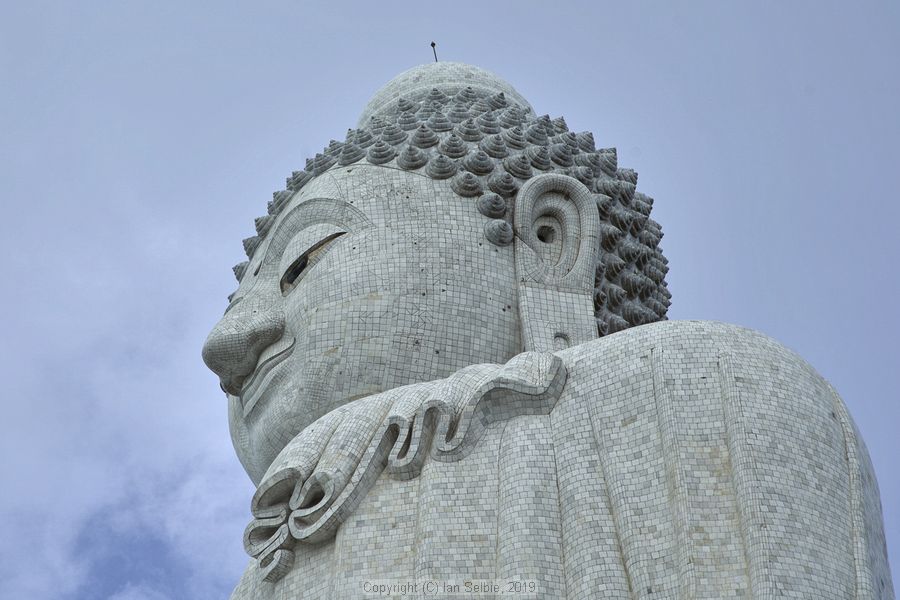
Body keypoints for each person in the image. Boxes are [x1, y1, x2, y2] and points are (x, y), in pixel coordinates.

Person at [202, 62, 893, 599]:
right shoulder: (266, 567)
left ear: (548, 239)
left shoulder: (697, 386)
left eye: (303, 260)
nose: (229, 340)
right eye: (241, 296)